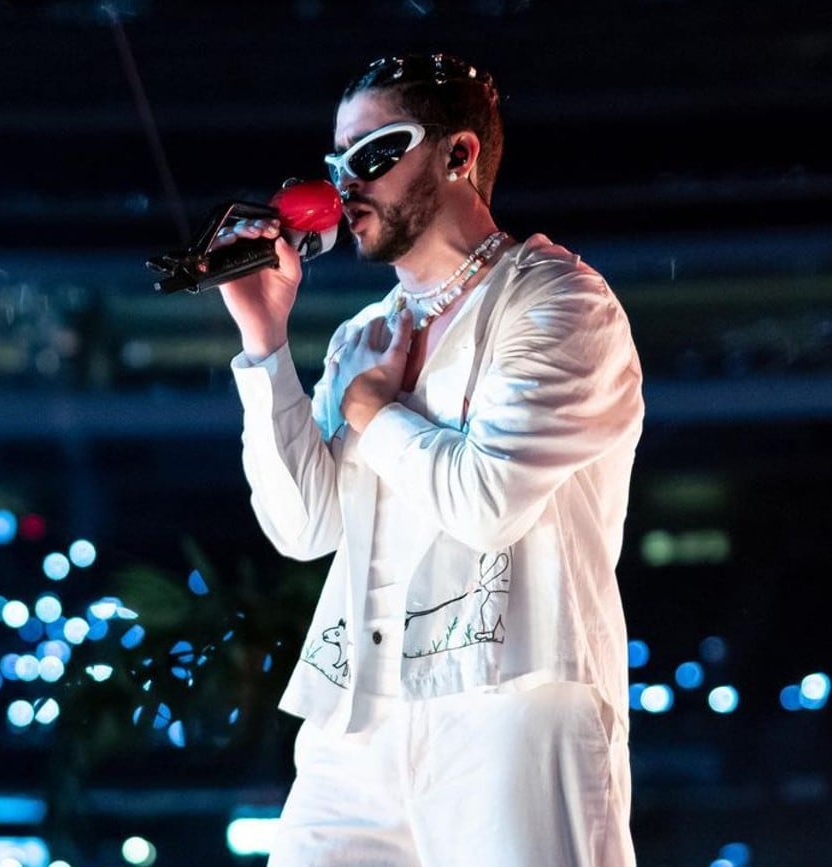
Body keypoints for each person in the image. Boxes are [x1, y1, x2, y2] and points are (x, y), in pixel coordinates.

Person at [217, 52, 644, 867]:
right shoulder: (362, 338)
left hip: (511, 699)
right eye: (337, 163)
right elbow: (304, 525)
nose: (347, 184)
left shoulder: (561, 303)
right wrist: (265, 345)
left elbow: (488, 500)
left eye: (375, 155)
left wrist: (375, 411)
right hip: (357, 717)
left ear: (458, 155)